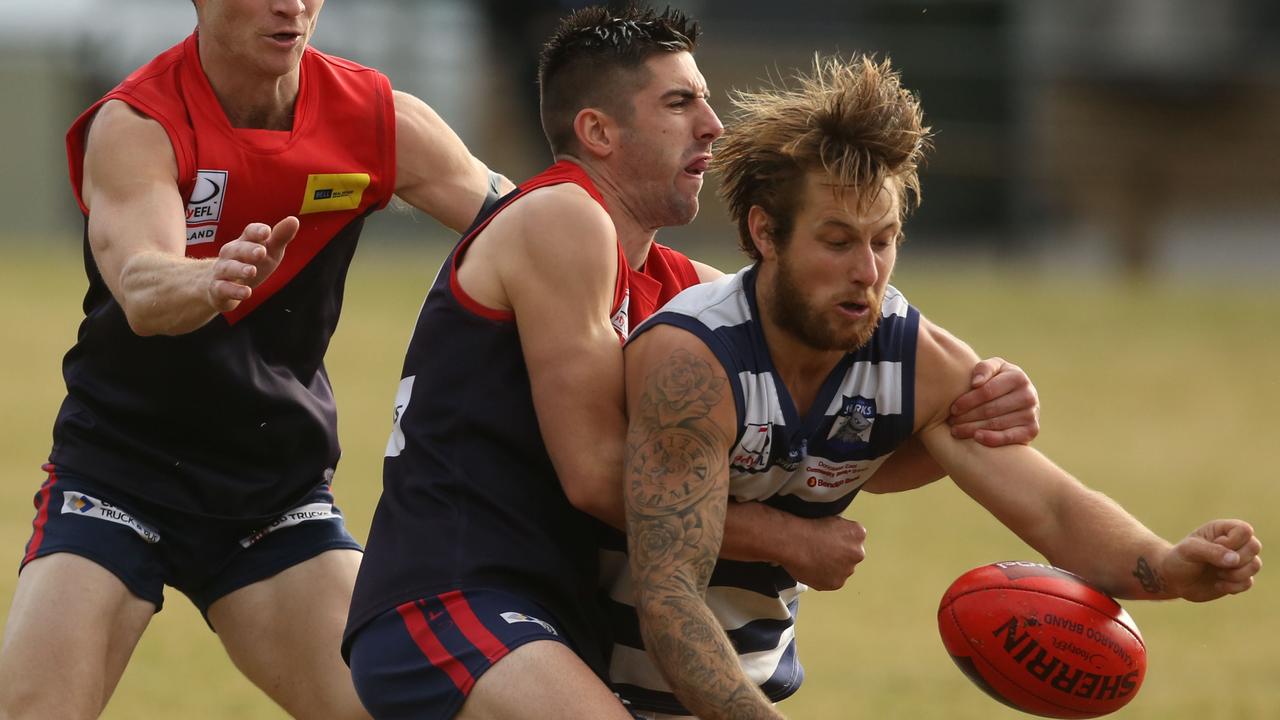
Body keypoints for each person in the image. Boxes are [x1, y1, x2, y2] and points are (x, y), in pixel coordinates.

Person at [343, 6, 1041, 720]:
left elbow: (812, 438)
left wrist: (964, 407)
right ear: (598, 133)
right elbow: (594, 474)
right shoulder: (563, 216)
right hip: (457, 599)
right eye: (680, 103)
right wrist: (791, 540)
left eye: (706, 101)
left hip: (558, 620)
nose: (713, 125)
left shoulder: (693, 295)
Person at [612, 53, 1264, 719]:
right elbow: (670, 594)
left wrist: (1170, 566)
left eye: (884, 240)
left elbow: (1053, 510)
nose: (867, 271)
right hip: (607, 692)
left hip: (751, 695)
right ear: (764, 233)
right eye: (837, 242)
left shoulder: (908, 357)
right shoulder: (696, 362)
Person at [0, 1, 515, 718]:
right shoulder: (137, 123)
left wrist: (687, 294)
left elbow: (534, 228)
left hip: (273, 498)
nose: (292, 5)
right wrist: (205, 279)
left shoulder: (376, 118)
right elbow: (144, 286)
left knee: (399, 709)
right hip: (117, 481)